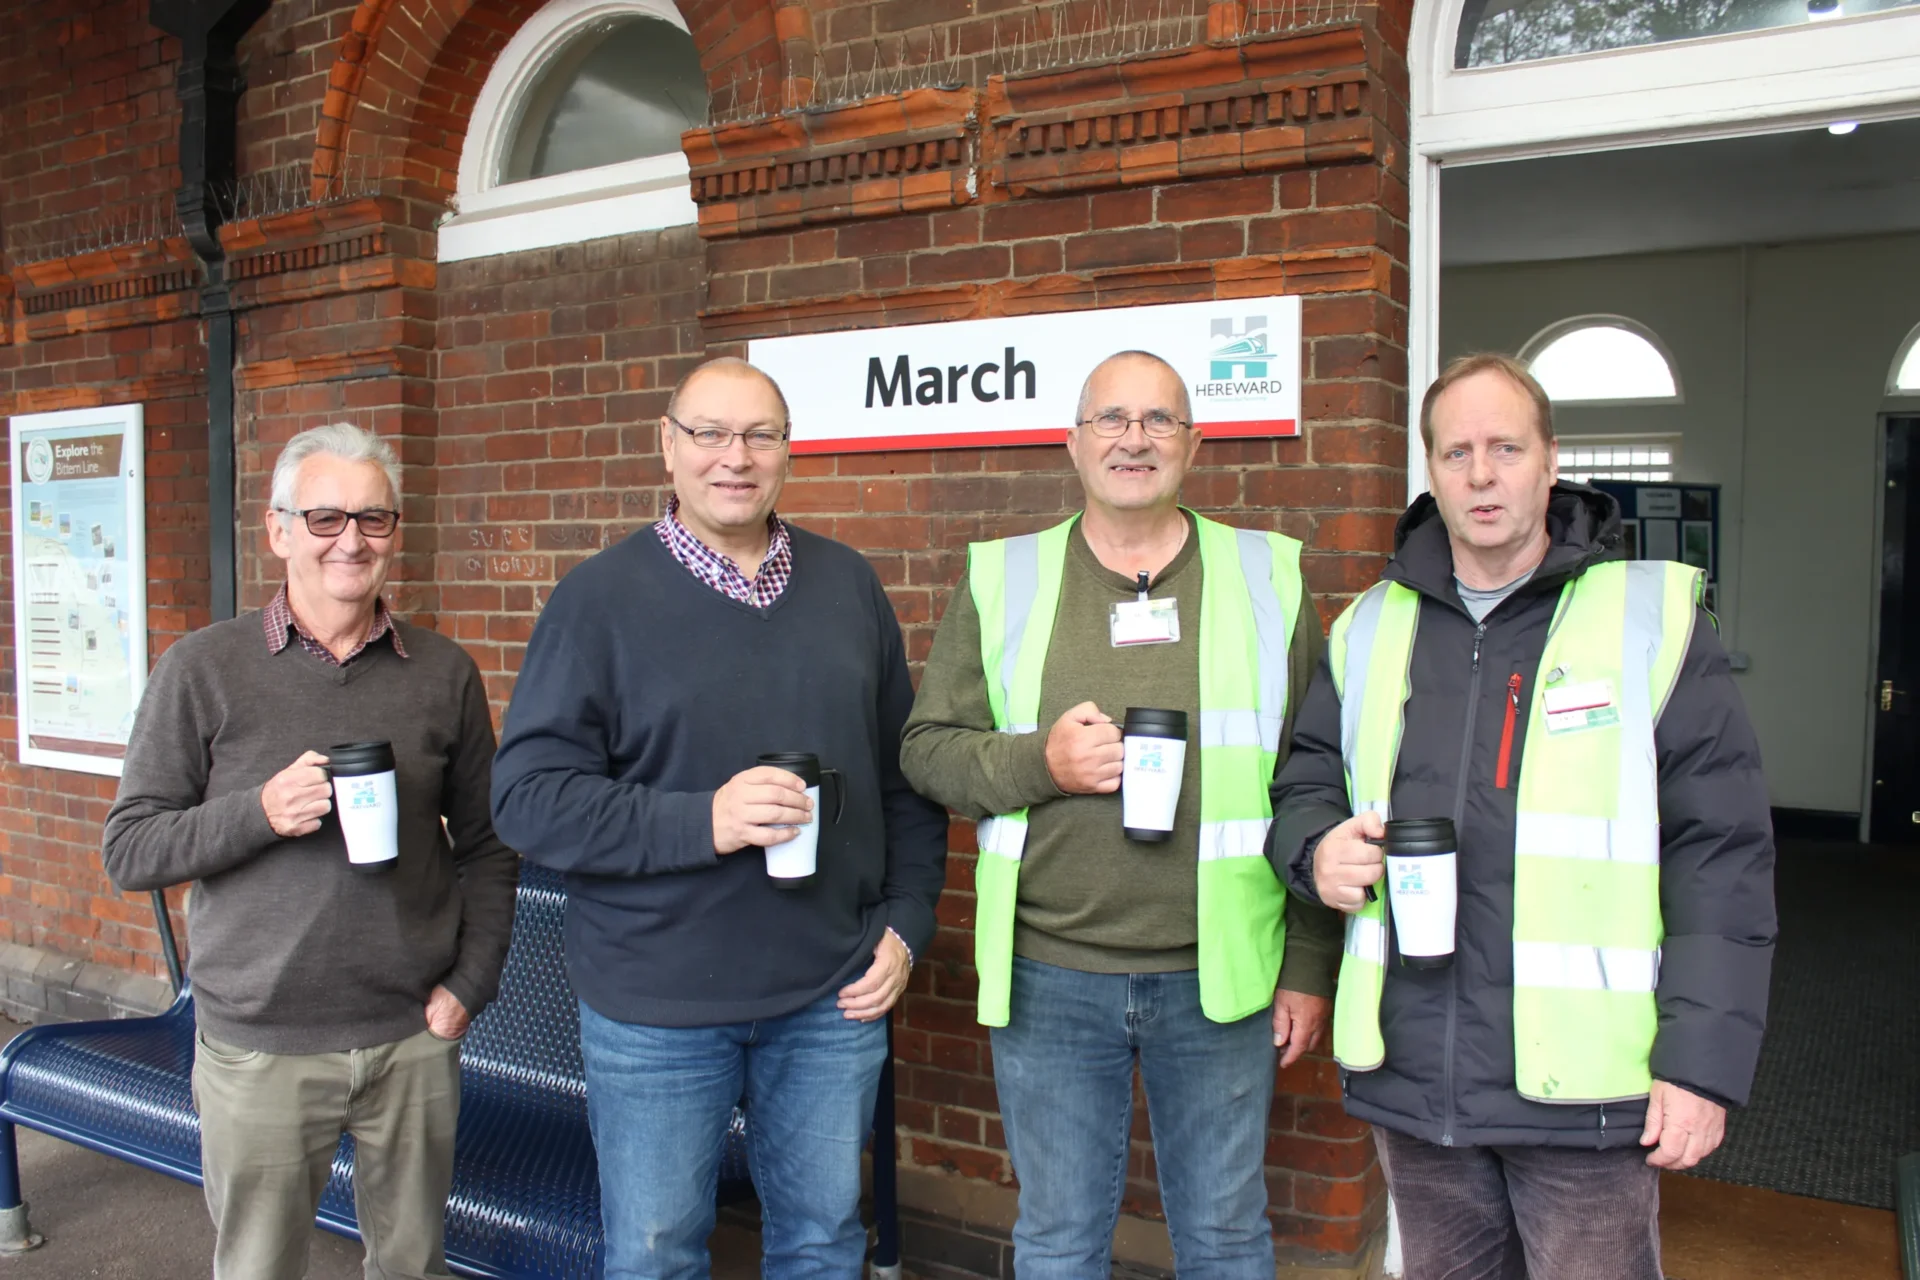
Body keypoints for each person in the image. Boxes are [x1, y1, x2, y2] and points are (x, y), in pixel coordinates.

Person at [1267, 353, 1776, 1280]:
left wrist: (1700, 1067)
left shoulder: (1650, 621)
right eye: (1457, 451)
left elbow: (1724, 859)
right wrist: (1314, 848)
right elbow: (1306, 780)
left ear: (1550, 462)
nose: (1482, 473)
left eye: (1507, 447)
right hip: (1416, 1083)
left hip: (1584, 1098)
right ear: (1431, 471)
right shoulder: (1369, 626)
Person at [490, 356, 948, 1280]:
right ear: (668, 445)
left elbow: (907, 779)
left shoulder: (848, 587)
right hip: (659, 1007)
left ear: (788, 451)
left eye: (759, 435)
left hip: (830, 996)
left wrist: (906, 924)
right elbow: (526, 799)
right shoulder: (597, 602)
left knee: (822, 1245)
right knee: (657, 1255)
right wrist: (707, 821)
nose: (734, 458)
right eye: (709, 434)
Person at [900, 350, 1342, 1279]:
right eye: (1111, 418)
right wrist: (1041, 762)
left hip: (1219, 979)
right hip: (1050, 975)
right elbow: (927, 749)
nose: (1134, 438)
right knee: (1057, 1245)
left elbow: (1313, 784)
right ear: (1073, 440)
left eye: (1158, 420)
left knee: (1225, 1241)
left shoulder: (1269, 577)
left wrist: (1306, 963)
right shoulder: (1001, 578)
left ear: (1194, 442)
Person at [102, 422, 520, 1280]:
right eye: (326, 518)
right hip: (262, 1045)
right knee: (259, 1268)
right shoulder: (203, 669)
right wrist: (258, 811)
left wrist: (468, 988)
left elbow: (489, 846)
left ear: (394, 534)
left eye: (373, 519)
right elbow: (131, 848)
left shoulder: (442, 672)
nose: (351, 541)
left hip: (412, 1034)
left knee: (412, 1266)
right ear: (279, 529)